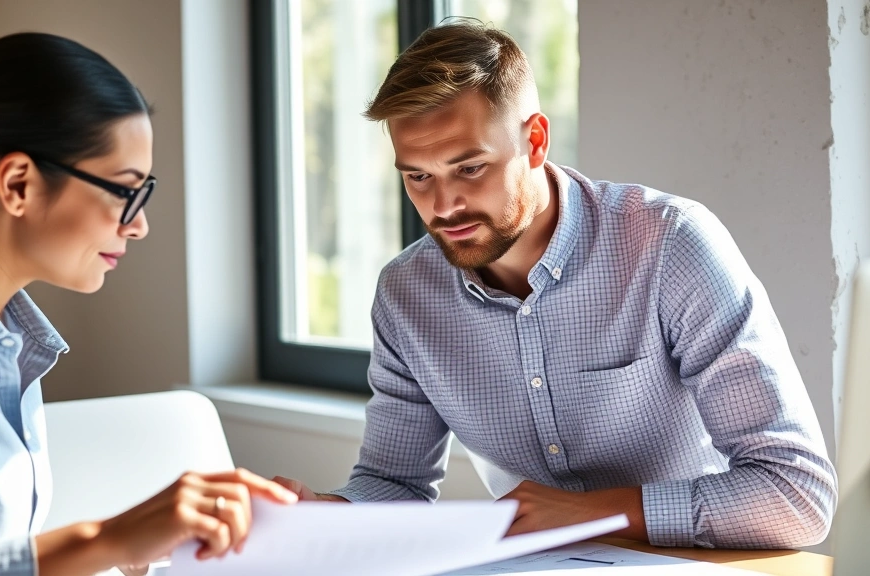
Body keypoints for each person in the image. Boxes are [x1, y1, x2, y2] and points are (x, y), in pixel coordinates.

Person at [275, 21, 837, 549]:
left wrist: (599, 511)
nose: (443, 207)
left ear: (536, 141)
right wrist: (319, 512)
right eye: (418, 176)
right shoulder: (405, 295)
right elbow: (393, 485)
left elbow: (797, 494)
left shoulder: (670, 247)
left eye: (470, 168)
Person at [0, 33, 296, 576]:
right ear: (18, 183)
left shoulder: (8, 338)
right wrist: (107, 539)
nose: (139, 225)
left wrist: (134, 553)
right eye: (124, 190)